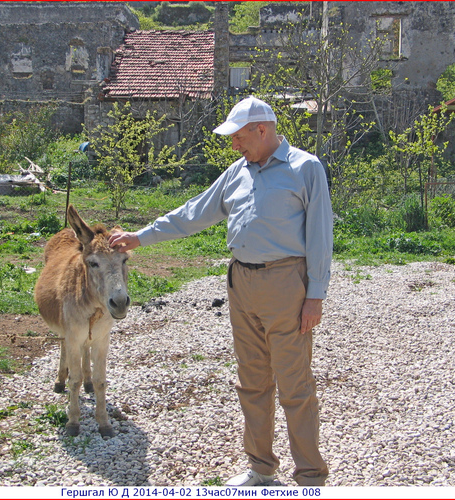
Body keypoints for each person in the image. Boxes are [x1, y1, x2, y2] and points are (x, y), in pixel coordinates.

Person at [109, 96, 333, 487]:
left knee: (294, 384)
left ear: (261, 130)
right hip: (240, 283)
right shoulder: (236, 172)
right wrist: (140, 237)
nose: (234, 145)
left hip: (286, 285)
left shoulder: (306, 168)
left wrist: (315, 295)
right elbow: (194, 212)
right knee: (252, 380)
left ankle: (311, 478)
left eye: (239, 137)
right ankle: (261, 468)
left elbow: (319, 235)